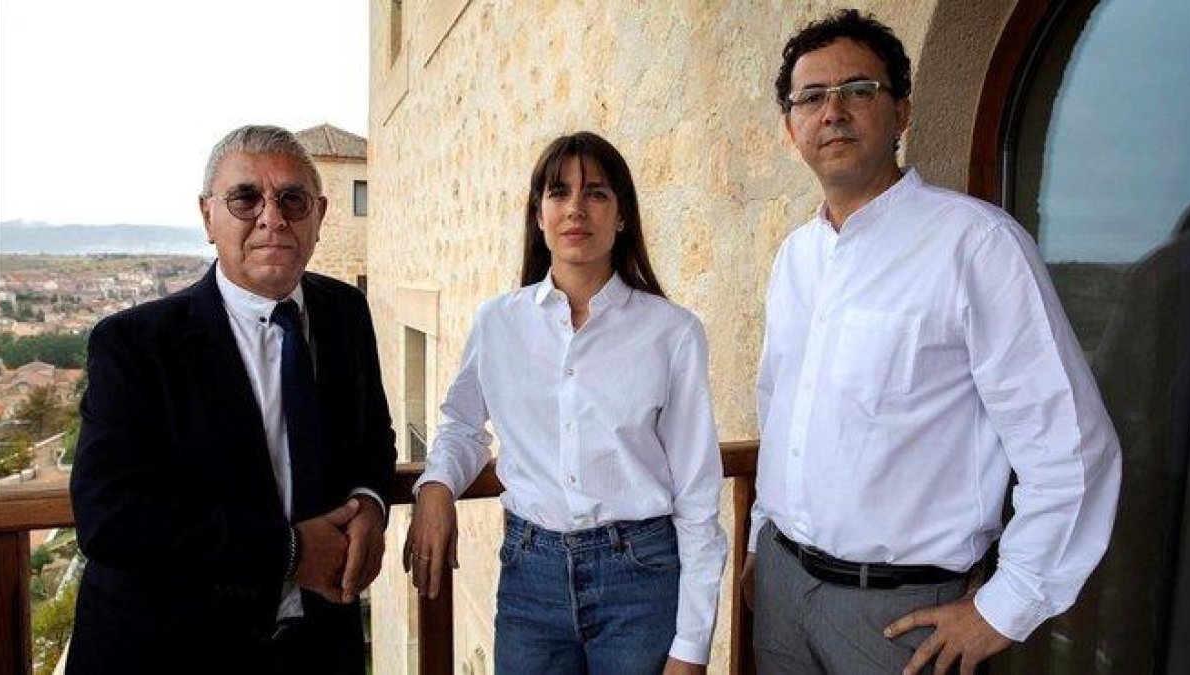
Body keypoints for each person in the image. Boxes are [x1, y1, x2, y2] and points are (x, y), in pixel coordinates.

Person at [742, 10, 1122, 675]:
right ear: (790, 126)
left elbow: (1073, 449)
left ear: (902, 111)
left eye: (859, 89)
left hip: (899, 617)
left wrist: (1005, 605)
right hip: (781, 588)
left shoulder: (975, 246)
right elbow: (778, 410)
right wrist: (757, 547)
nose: (833, 110)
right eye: (812, 96)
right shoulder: (794, 259)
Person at [68, 125, 397, 675]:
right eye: (246, 198)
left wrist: (370, 501)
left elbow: (372, 437)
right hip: (175, 650)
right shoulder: (134, 344)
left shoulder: (345, 312)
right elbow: (110, 517)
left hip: (317, 647)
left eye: (292, 199)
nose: (273, 217)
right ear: (207, 216)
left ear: (318, 214)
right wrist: (289, 551)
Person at [404, 131, 727, 674]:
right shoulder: (498, 323)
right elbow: (463, 425)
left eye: (597, 193)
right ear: (539, 213)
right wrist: (436, 485)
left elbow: (697, 494)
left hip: (640, 580)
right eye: (559, 192)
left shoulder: (672, 333)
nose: (576, 208)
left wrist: (691, 647)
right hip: (531, 578)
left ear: (622, 215)